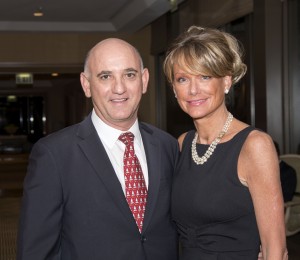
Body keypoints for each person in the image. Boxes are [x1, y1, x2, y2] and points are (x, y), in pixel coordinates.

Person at [17, 38, 179, 260]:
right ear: (86, 85)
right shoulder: (53, 154)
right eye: (105, 76)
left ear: (144, 80)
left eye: (129, 75)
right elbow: (36, 251)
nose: (119, 88)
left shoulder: (167, 145)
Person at [163, 26, 288, 259]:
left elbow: (275, 249)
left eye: (205, 76)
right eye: (182, 79)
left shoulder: (254, 145)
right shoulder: (182, 143)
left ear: (226, 82)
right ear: (174, 89)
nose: (192, 90)